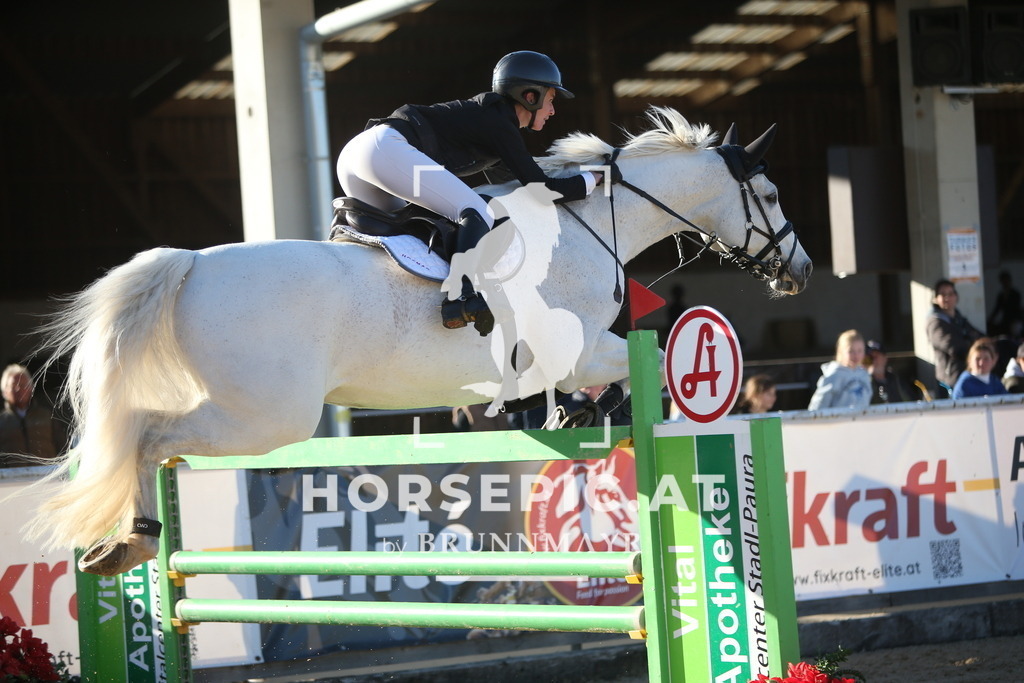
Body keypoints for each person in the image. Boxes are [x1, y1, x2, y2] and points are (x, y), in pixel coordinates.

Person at [336, 51, 607, 336]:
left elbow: (517, 187)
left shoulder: (491, 119)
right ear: (530, 96)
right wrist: (595, 177)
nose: (552, 111)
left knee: (409, 235)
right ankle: (461, 297)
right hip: (384, 150)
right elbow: (542, 190)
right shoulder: (499, 123)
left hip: (358, 156)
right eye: (551, 100)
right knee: (476, 210)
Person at [0, 363, 68, 466]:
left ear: (31, 388)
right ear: (4, 392)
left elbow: (63, 448)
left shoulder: (47, 416)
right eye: (13, 385)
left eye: (23, 385)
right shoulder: (2, 422)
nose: (19, 389)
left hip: (46, 474)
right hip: (12, 475)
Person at [926, 278, 983, 398]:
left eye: (951, 293)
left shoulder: (959, 319)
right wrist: (974, 348)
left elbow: (979, 337)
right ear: (935, 298)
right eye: (943, 294)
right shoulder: (935, 322)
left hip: (967, 374)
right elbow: (954, 347)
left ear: (956, 296)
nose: (947, 297)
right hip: (949, 379)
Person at [807, 330, 872, 411]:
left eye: (860, 351)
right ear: (841, 351)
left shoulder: (864, 374)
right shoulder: (834, 374)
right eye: (851, 351)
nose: (856, 355)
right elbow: (818, 406)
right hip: (839, 418)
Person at [864, 340, 910, 404]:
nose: (873, 361)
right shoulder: (863, 383)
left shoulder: (896, 380)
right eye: (870, 358)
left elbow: (912, 402)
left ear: (885, 358)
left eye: (876, 357)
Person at [987, 270, 1022, 338]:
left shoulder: (1015, 294)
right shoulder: (1001, 295)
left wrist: (1015, 320)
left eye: (1006, 281)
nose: (1005, 283)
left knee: (1015, 332)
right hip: (1005, 321)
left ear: (1010, 281)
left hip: (1015, 320)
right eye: (1003, 281)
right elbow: (997, 309)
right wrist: (990, 320)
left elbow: (1016, 308)